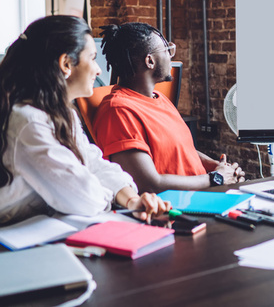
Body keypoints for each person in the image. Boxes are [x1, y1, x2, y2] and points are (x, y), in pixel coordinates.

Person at [0, 16, 170, 225]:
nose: (98, 70)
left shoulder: (63, 114)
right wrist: (115, 197)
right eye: (92, 58)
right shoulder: (28, 122)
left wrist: (132, 199)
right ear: (66, 63)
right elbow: (84, 198)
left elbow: (93, 162)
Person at [93, 22, 245, 193]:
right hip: (178, 210)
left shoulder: (160, 99)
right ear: (150, 61)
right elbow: (148, 184)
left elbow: (179, 149)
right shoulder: (118, 111)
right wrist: (216, 178)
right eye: (166, 50)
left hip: (205, 196)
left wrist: (218, 167)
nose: (170, 57)